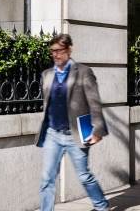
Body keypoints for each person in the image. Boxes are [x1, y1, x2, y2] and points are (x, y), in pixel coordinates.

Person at [34, 34, 109, 211]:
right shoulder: (47, 75)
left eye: (59, 50)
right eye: (52, 51)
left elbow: (94, 102)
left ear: (69, 50)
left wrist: (97, 129)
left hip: (75, 134)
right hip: (53, 133)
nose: (55, 55)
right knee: (47, 178)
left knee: (84, 175)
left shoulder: (83, 72)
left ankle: (101, 206)